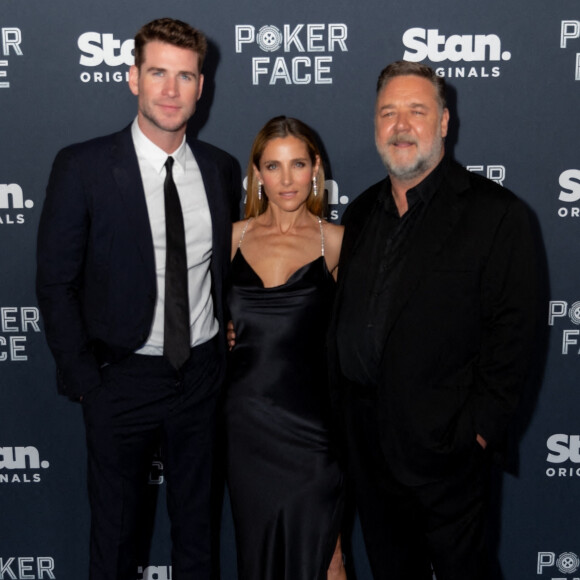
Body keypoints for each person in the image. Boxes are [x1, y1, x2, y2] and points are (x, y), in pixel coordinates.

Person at [36, 18, 239, 580]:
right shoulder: (83, 167)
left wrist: (222, 338)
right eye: (158, 74)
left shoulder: (221, 169)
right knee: (117, 541)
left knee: (198, 539)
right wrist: (89, 382)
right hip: (120, 379)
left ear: (202, 86)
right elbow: (55, 282)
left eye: (185, 76)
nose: (171, 90)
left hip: (200, 377)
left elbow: (220, 271)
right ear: (132, 79)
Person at [329, 61, 538, 580]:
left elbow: (515, 337)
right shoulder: (359, 215)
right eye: (388, 113)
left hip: (449, 458)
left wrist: (477, 437)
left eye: (416, 111)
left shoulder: (496, 215)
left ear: (444, 123)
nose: (401, 125)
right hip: (370, 456)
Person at [224, 116, 346, 579]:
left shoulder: (336, 242)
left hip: (313, 429)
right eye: (273, 167)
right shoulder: (231, 236)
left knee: (327, 555)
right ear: (257, 174)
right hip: (247, 426)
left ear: (315, 168)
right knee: (259, 555)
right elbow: (195, 313)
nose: (287, 179)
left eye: (297, 164)